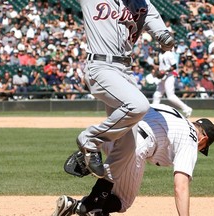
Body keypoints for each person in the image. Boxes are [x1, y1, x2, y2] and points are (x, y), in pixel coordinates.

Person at [52, 104, 214, 216]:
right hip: (136, 146)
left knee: (112, 176)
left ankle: (94, 152)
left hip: (115, 131)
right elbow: (180, 187)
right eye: (202, 148)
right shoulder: (191, 139)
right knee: (122, 202)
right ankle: (81, 206)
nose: (200, 149)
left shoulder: (171, 111)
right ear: (203, 140)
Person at [74, 0, 175, 180]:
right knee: (138, 105)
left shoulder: (143, 4)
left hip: (124, 71)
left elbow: (161, 32)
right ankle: (90, 140)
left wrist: (165, 38)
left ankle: (98, 198)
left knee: (128, 148)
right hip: (100, 66)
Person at [153, 50, 193, 117]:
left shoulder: (169, 53)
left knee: (170, 96)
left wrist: (165, 71)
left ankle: (187, 109)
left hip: (169, 76)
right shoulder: (160, 53)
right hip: (163, 77)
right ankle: (153, 112)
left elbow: (174, 66)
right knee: (157, 94)